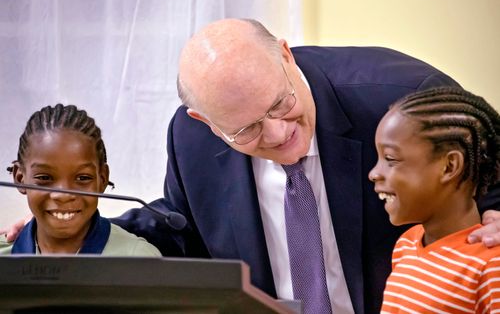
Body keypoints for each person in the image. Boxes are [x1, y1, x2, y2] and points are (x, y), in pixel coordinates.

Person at [3, 19, 500, 312]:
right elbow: (182, 227)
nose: (279, 134)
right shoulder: (191, 138)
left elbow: (488, 164)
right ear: (206, 121)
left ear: (285, 56)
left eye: (280, 105)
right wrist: (81, 226)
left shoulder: (400, 100)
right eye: (246, 130)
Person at [369, 87, 500, 312]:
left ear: (449, 166)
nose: (374, 173)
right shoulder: (406, 245)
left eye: (390, 159)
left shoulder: (491, 266)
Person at [0, 104, 161, 257]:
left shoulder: (139, 260)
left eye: (83, 178)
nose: (62, 195)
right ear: (20, 178)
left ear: (103, 179)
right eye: (44, 178)